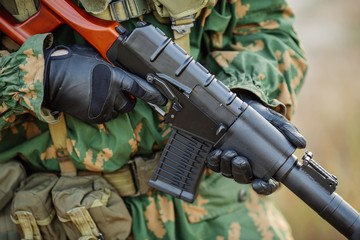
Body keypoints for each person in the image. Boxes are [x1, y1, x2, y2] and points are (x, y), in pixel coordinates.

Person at [0, 0, 308, 239]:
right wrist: (38, 76)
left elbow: (267, 25)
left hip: (222, 216)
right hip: (59, 221)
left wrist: (249, 93)